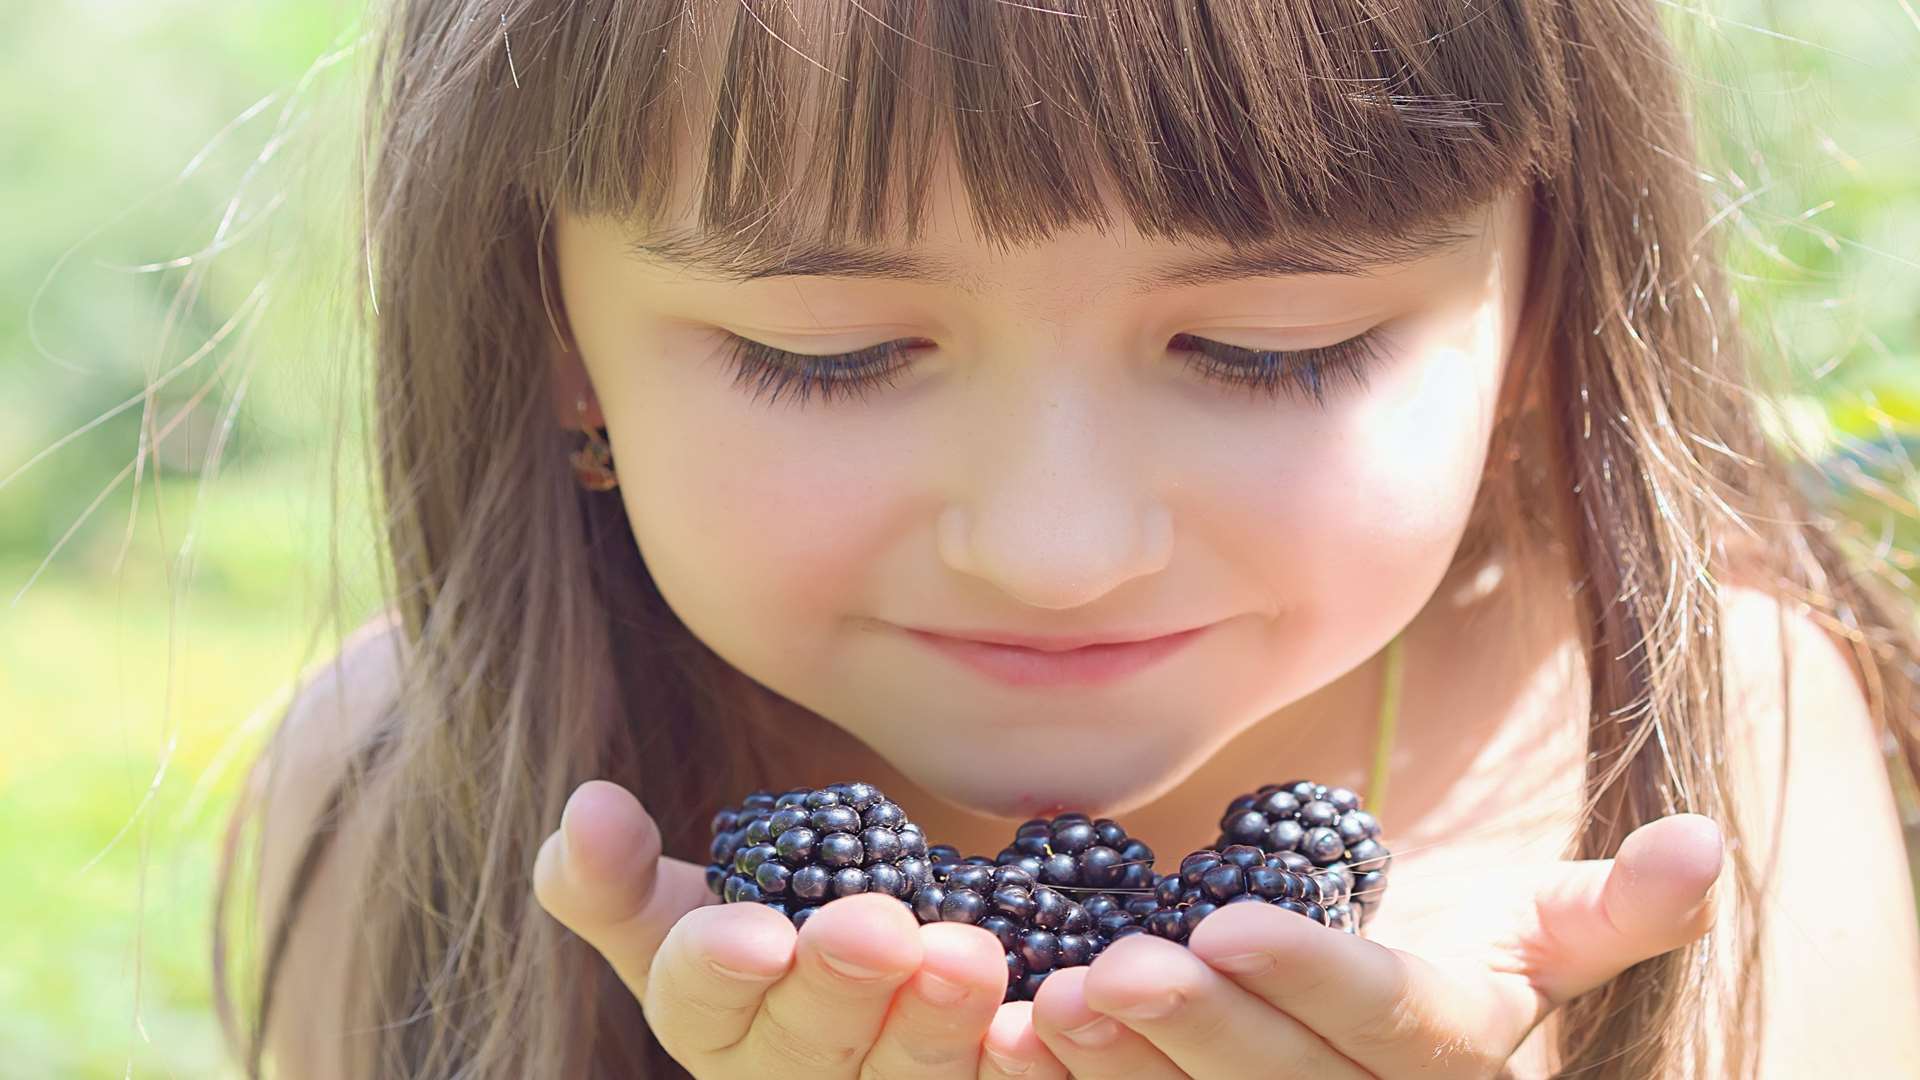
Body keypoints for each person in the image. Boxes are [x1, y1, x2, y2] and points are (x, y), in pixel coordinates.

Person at [212, 1, 1920, 1077]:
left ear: (1542, 305)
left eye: (1277, 351)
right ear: (554, 332)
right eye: (833, 358)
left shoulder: (1703, 750)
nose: (1056, 547)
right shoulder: (404, 804)